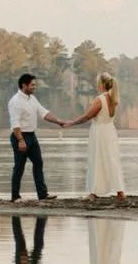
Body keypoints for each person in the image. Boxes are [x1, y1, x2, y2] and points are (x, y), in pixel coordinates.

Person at [63, 70, 127, 202]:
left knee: (96, 159)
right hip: (110, 131)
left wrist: (71, 123)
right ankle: (120, 191)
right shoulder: (114, 98)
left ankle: (93, 192)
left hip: (100, 132)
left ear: (101, 84)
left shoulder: (100, 99)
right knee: (112, 160)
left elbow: (87, 116)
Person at [8, 72, 64, 202]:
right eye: (32, 85)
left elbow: (44, 113)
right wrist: (21, 140)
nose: (35, 87)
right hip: (20, 136)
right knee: (19, 167)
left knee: (38, 163)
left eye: (35, 85)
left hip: (32, 136)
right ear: (24, 85)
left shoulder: (32, 98)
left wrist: (58, 121)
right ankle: (15, 196)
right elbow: (15, 124)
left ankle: (42, 194)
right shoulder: (15, 102)